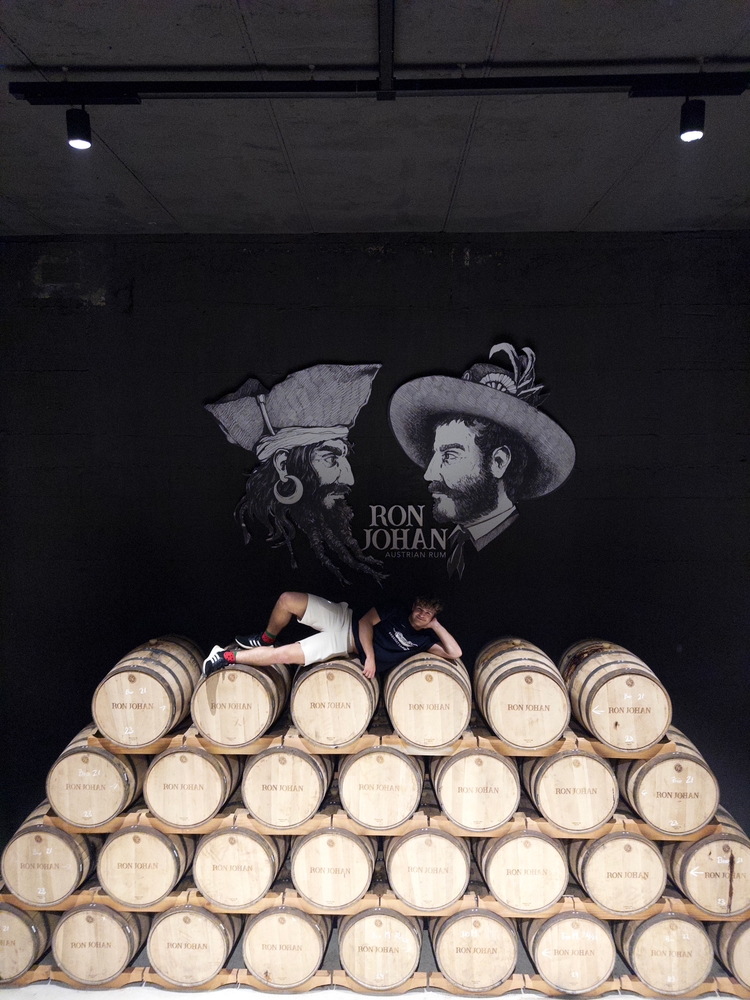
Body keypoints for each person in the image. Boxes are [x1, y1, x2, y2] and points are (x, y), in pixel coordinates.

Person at [388, 343, 576, 578]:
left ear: (498, 462)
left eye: (449, 455)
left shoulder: (528, 557)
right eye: (435, 455)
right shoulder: (455, 542)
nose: (429, 473)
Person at [206, 363, 386, 586]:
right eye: (330, 459)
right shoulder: (251, 539)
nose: (349, 479)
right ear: (283, 464)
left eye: (343, 458)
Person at [202, 591, 462, 679]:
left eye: (427, 613)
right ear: (414, 605)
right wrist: (370, 657)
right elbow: (364, 623)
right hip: (343, 619)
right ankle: (265, 637)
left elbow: (455, 653)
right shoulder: (396, 609)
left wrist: (436, 626)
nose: (420, 614)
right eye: (419, 608)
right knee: (287, 600)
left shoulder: (424, 641)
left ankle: (225, 656)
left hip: (341, 643)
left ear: (432, 616)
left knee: (283, 655)